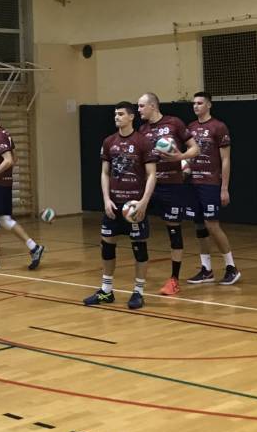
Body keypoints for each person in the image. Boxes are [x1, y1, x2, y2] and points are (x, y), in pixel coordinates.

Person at [83, 102, 157, 309]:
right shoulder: (109, 141)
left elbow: (152, 174)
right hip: (114, 205)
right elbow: (104, 173)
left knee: (139, 248)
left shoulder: (143, 142)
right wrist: (106, 199)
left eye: (121, 114)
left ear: (131, 117)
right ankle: (106, 291)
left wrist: (144, 202)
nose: (117, 117)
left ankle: (138, 292)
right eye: (115, 114)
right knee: (107, 245)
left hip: (134, 206)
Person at [137, 92, 199, 297]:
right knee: (136, 225)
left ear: (153, 106)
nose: (139, 110)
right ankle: (140, 278)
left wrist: (181, 157)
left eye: (141, 106)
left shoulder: (174, 123)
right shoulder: (142, 130)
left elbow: (195, 149)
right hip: (150, 186)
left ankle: (174, 280)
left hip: (172, 186)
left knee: (173, 230)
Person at [0, 108, 45, 272]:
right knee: (5, 219)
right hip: (5, 184)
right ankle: (34, 247)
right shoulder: (6, 133)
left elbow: (9, 160)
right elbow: (15, 158)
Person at [186, 92, 241, 285]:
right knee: (199, 225)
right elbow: (189, 155)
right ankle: (206, 269)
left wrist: (224, 188)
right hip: (193, 183)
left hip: (210, 183)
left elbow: (226, 160)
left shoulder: (218, 127)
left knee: (212, 225)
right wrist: (184, 166)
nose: (196, 106)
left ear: (209, 105)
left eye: (200, 103)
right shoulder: (191, 128)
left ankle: (231, 267)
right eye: (194, 103)